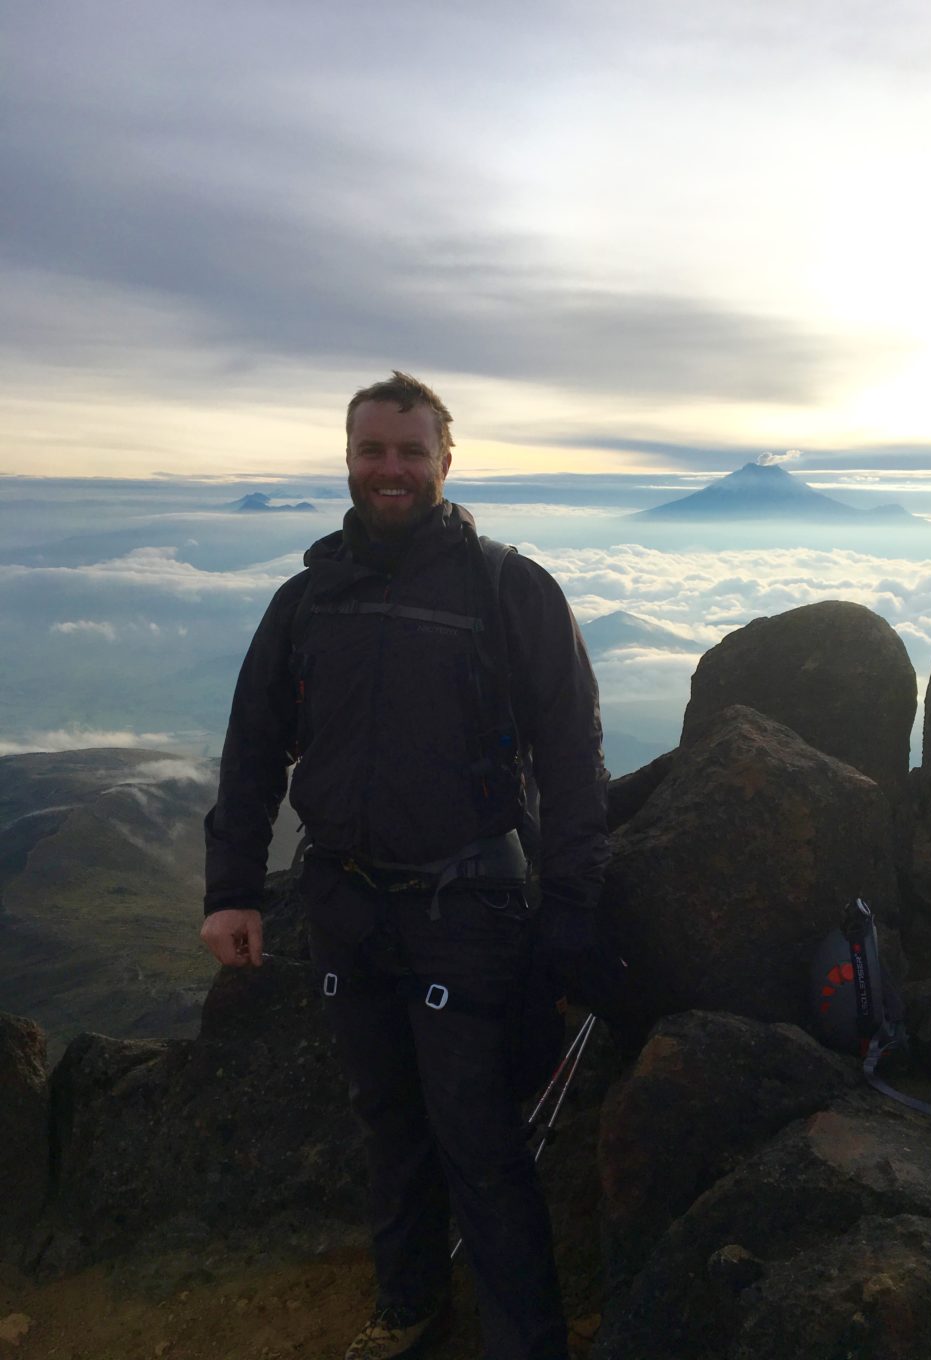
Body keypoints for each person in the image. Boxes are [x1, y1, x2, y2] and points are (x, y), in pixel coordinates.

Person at [200, 372, 610, 1360]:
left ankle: (527, 1342)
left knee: (478, 1140)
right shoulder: (310, 598)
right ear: (348, 460)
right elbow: (254, 743)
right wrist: (232, 889)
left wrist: (572, 909)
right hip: (345, 900)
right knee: (388, 1123)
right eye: (372, 450)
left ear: (445, 463)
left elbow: (572, 755)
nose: (391, 469)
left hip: (465, 905)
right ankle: (409, 1310)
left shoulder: (507, 587)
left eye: (410, 451)